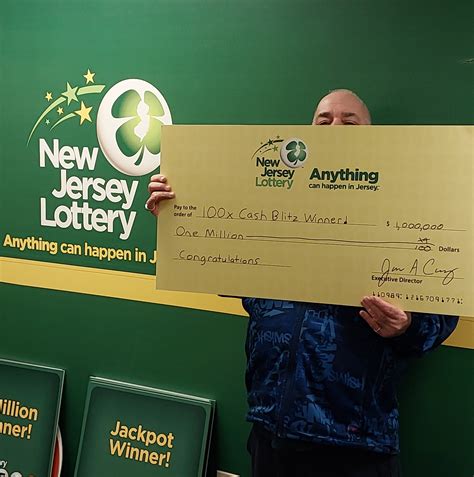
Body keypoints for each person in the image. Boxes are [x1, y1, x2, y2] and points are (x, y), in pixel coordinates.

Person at [146, 89, 458, 477]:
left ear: (374, 136)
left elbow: (441, 316)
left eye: (349, 122)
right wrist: (180, 220)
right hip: (271, 429)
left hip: (356, 444)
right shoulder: (269, 198)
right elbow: (227, 271)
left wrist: (407, 326)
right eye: (324, 120)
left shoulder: (411, 203)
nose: (334, 128)